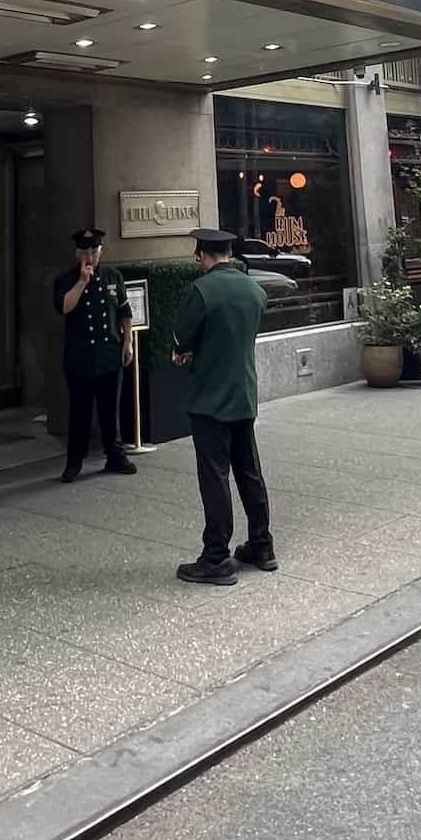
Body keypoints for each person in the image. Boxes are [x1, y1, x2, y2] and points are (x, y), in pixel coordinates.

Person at [169, 227, 274, 585]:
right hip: (244, 393)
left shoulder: (200, 291)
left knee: (214, 476)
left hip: (211, 398)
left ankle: (216, 556)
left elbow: (181, 337)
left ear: (204, 256)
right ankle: (262, 544)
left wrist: (184, 352)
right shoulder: (254, 290)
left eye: (198, 256)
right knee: (249, 471)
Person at [53, 227, 135, 483]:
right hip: (81, 358)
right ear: (78, 253)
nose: (91, 256)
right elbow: (64, 307)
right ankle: (75, 462)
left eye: (95, 251)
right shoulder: (66, 279)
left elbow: (125, 311)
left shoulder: (113, 276)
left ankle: (115, 455)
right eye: (86, 251)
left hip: (110, 353)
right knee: (80, 412)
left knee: (111, 410)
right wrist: (82, 281)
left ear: (101, 251)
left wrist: (128, 342)